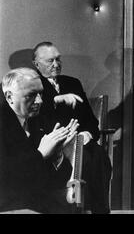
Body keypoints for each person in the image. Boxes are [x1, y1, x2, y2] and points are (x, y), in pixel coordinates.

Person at [32, 41, 112, 213]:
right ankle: (80, 209)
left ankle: (100, 210)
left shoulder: (72, 83)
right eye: (50, 61)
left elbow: (91, 121)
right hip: (53, 144)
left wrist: (87, 134)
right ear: (36, 64)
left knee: (99, 155)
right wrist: (55, 100)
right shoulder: (32, 85)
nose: (56, 64)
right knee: (85, 160)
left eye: (58, 59)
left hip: (79, 141)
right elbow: (33, 117)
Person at [0, 67, 79, 213]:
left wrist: (58, 155)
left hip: (33, 201)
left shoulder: (37, 121)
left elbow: (56, 182)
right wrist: (41, 154)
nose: (40, 101)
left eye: (40, 94)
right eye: (31, 95)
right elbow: (7, 179)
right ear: (9, 97)